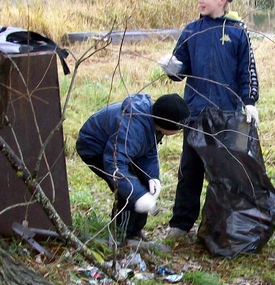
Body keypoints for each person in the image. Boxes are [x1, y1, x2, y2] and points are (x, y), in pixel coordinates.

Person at [158, 0, 259, 238]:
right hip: (195, 112)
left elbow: (247, 71)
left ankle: (224, 223)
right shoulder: (192, 31)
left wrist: (250, 101)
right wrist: (171, 67)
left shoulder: (238, 31)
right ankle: (181, 224)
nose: (201, 0)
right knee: (190, 169)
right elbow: (180, 72)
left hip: (228, 115)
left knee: (226, 172)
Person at [76, 93, 190, 242]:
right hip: (94, 147)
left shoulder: (152, 124)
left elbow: (148, 151)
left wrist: (152, 177)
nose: (181, 131)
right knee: (128, 190)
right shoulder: (132, 128)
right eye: (179, 128)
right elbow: (115, 166)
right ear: (167, 124)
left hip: (120, 150)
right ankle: (122, 235)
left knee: (143, 185)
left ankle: (135, 231)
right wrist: (137, 196)